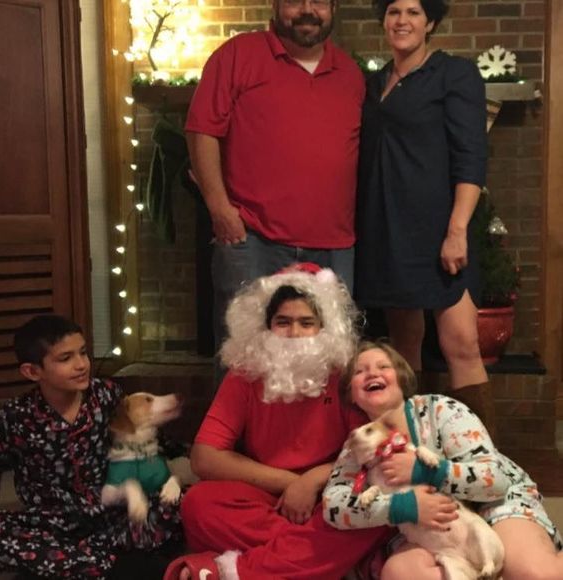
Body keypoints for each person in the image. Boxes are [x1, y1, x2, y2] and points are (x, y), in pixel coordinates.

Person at [164, 264, 393, 580]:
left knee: (376, 507)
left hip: (332, 494)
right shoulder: (245, 374)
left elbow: (372, 449)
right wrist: (291, 484)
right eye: (283, 322)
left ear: (324, 328)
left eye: (306, 323)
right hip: (268, 497)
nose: (294, 334)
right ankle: (325, 563)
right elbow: (204, 457)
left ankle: (232, 569)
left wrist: (312, 480)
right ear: (266, 327)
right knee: (199, 504)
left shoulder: (346, 375)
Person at [185, 0, 365, 381]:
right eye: (295, 0)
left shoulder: (350, 73)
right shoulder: (237, 56)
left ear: (333, 8)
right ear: (275, 5)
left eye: (319, 2)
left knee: (330, 365)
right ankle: (232, 425)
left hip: (333, 245)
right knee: (241, 362)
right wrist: (219, 208)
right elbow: (202, 130)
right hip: (252, 240)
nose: (307, 10)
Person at [354, 0, 494, 432]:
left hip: (439, 227)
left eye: (413, 12)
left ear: (430, 21)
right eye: (394, 11)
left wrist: (457, 230)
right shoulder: (373, 82)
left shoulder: (454, 74)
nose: (402, 21)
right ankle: (412, 446)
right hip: (387, 226)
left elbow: (471, 157)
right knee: (403, 346)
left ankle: (482, 458)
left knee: (462, 344)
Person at [323, 340, 563, 580]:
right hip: (429, 529)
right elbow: (333, 507)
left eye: (383, 366)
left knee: (534, 574)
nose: (372, 373)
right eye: (359, 371)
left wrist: (426, 471)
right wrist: (401, 507)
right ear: (350, 394)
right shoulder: (357, 445)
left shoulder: (440, 410)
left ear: (402, 379)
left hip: (493, 501)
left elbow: (495, 480)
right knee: (401, 574)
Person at [0, 314, 183, 579]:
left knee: (179, 503)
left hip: (110, 512)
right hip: (50, 523)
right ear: (32, 371)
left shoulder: (106, 394)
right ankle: (105, 564)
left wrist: (179, 457)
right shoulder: (15, 416)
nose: (81, 365)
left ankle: (67, 566)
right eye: (66, 358)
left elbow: (144, 436)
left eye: (83, 353)